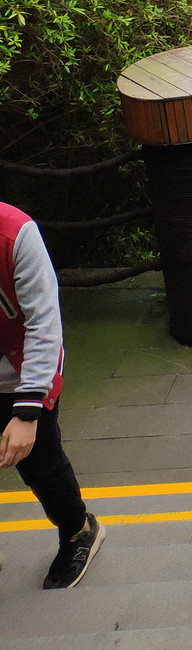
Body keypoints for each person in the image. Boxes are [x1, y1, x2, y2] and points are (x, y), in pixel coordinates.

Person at [0, 201, 105, 589]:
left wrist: (28, 413)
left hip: (24, 369)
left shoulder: (15, 234)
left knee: (40, 463)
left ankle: (79, 530)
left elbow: (45, 324)